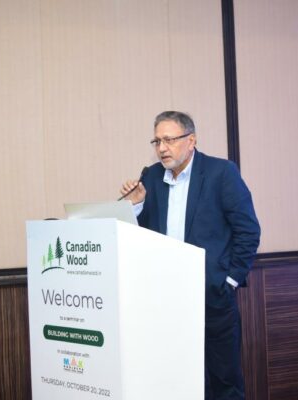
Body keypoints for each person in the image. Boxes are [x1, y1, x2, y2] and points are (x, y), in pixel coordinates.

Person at [120, 111, 260, 400]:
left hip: (212, 295)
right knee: (175, 379)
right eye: (157, 141)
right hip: (166, 301)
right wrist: (135, 206)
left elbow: (248, 231)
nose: (161, 148)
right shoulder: (152, 176)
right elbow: (144, 236)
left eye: (169, 140)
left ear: (191, 140)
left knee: (224, 381)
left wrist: (230, 280)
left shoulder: (221, 173)